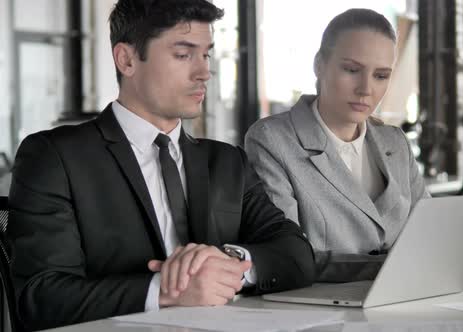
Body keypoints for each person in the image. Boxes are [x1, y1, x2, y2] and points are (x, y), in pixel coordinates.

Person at [7, 0, 314, 330]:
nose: (203, 72)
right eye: (183, 55)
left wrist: (229, 264)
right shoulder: (55, 157)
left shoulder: (226, 161)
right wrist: (168, 291)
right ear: (126, 60)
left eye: (206, 54)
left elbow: (296, 254)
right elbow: (41, 297)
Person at [245, 8, 429, 282]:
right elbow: (288, 254)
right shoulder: (273, 139)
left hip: (399, 304)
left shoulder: (395, 142)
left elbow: (428, 235)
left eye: (381, 75)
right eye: (352, 70)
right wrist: (387, 269)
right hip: (320, 310)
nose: (366, 89)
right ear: (319, 65)